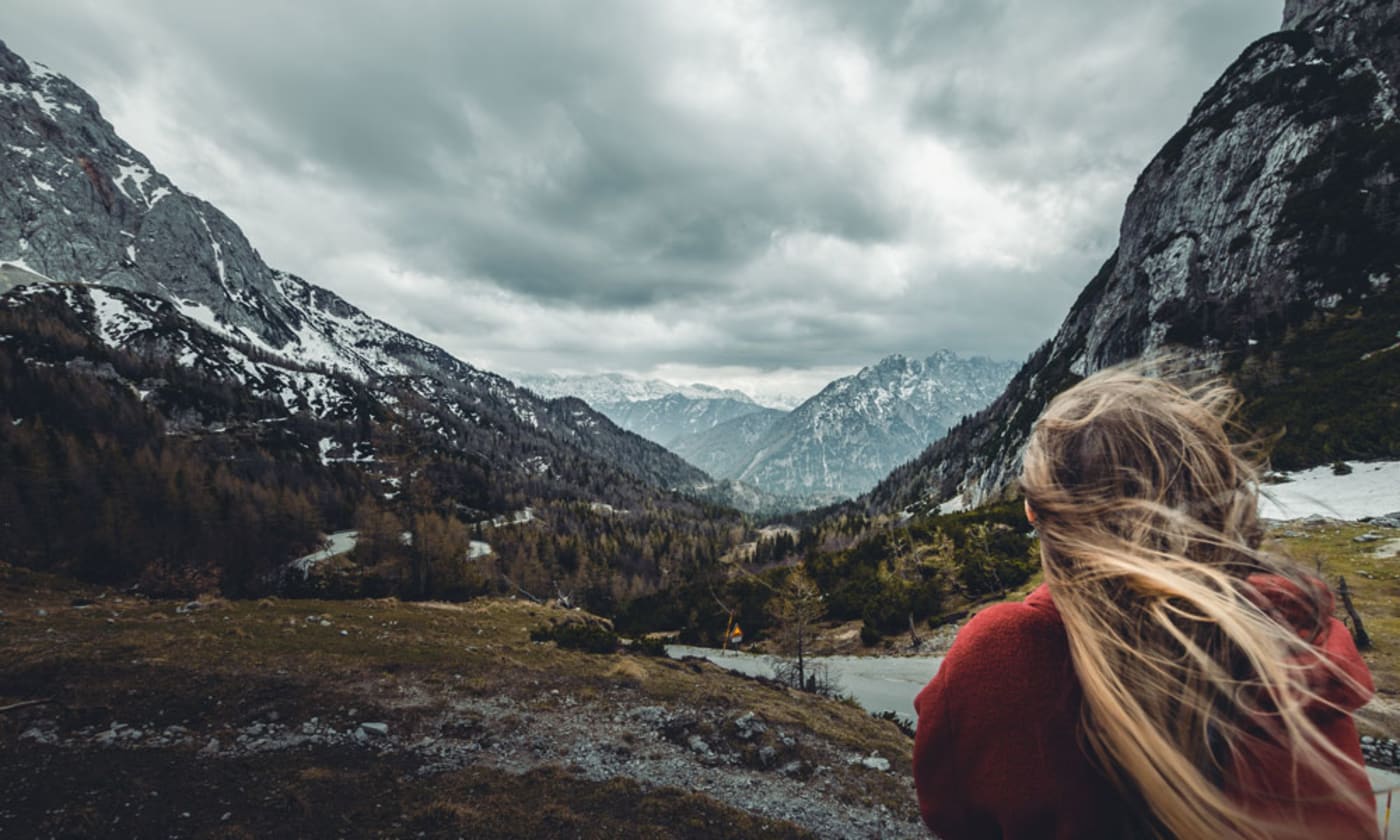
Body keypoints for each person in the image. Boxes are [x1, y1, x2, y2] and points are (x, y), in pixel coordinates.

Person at [912, 363, 1378, 839]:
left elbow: (948, 811)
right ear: (1220, 502)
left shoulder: (1003, 654)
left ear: (1034, 511)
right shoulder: (1298, 643)